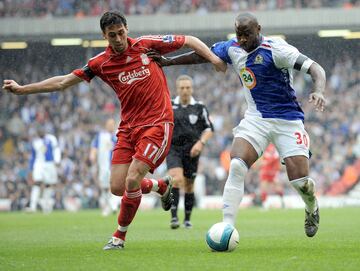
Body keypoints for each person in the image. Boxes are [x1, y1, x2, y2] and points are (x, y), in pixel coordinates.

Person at [2, 11, 226, 250]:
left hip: (157, 124)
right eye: (112, 35)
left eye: (121, 33)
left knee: (132, 179)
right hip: (128, 129)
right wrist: (23, 89)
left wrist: (213, 59)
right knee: (117, 187)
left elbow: (189, 40)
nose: (118, 39)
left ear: (126, 29)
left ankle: (118, 237)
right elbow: (63, 82)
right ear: (104, 36)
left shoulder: (146, 45)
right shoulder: (100, 63)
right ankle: (160, 186)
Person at [149, 13, 326, 238]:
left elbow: (316, 68)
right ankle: (227, 227)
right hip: (256, 119)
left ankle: (311, 207)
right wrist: (170, 61)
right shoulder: (232, 47)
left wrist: (319, 90)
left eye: (247, 34)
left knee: (301, 182)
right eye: (238, 34)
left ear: (259, 29)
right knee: (237, 165)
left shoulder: (277, 50)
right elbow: (202, 55)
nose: (242, 40)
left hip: (287, 120)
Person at [166, 75, 214, 229]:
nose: (185, 90)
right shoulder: (169, 105)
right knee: (176, 179)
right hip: (173, 149)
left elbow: (208, 128)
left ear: (191, 89)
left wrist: (201, 143)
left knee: (189, 185)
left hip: (192, 150)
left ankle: (187, 219)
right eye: (182, 88)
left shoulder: (199, 107)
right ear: (177, 89)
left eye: (187, 87)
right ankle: (174, 218)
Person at [27, 126, 61, 213]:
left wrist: (57, 160)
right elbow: (33, 156)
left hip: (49, 163)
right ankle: (32, 206)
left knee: (48, 185)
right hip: (39, 164)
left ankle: (46, 206)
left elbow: (56, 149)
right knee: (37, 183)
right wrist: (31, 168)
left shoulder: (51, 138)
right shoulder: (35, 142)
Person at [89, 118, 119, 216]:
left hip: (115, 165)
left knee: (113, 185)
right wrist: (92, 155)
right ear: (106, 125)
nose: (110, 126)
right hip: (103, 166)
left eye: (112, 124)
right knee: (105, 187)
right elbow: (94, 147)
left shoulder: (118, 135)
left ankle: (113, 205)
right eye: (108, 124)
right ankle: (108, 206)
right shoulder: (100, 136)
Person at [258, 143, 284, 208]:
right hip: (268, 170)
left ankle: (282, 202)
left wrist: (265, 162)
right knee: (265, 187)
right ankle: (265, 204)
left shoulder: (273, 147)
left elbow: (275, 157)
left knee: (274, 186)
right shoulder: (266, 147)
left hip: (272, 170)